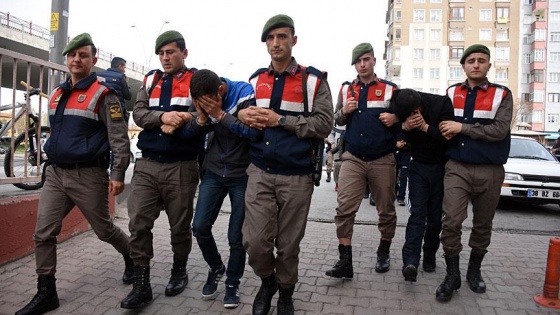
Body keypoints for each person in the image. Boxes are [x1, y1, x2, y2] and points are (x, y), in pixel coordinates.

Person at [16, 33, 132, 315]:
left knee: (104, 230)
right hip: (56, 175)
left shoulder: (105, 95)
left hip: (88, 175)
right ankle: (46, 292)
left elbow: (119, 138)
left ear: (93, 60)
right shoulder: (57, 93)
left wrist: (117, 173)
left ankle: (133, 257)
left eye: (83, 55)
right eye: (72, 55)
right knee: (43, 234)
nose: (76, 60)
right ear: (67, 59)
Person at [237, 14, 333, 315]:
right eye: (270, 38)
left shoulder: (314, 80)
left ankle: (286, 293)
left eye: (281, 37)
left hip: (297, 174)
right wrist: (242, 115)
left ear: (294, 39)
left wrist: (282, 120)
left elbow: (324, 124)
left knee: (289, 245)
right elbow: (241, 111)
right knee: (254, 242)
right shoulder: (255, 79)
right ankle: (268, 282)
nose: (275, 43)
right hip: (260, 171)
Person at [120, 30, 206, 309]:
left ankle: (179, 271)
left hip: (181, 166)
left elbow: (207, 116)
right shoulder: (150, 79)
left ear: (184, 52)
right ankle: (142, 283)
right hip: (147, 165)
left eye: (171, 52)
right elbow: (139, 113)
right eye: (162, 53)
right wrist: (163, 117)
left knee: (179, 226)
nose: (166, 58)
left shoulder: (197, 80)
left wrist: (182, 120)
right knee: (138, 223)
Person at [436, 44, 513, 302]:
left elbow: (499, 131)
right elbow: (443, 124)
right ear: (464, 66)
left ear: (489, 65)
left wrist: (462, 128)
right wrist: (445, 129)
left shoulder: (502, 94)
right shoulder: (450, 91)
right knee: (451, 221)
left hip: (490, 170)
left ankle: (474, 270)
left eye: (481, 60)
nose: (476, 64)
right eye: (471, 60)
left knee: (482, 225)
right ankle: (452, 274)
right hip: (456, 167)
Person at [184, 69, 259, 309]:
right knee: (199, 227)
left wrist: (220, 114)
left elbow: (253, 133)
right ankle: (216, 267)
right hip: (214, 172)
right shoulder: (199, 97)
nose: (202, 106)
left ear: (220, 91)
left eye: (207, 103)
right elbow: (187, 134)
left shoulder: (244, 93)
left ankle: (232, 284)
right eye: (199, 104)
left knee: (236, 237)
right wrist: (203, 119)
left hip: (242, 175)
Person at [325, 43, 398, 280]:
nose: (362, 64)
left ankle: (383, 251)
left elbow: (405, 119)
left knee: (386, 210)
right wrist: (344, 111)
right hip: (353, 158)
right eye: (358, 61)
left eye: (366, 59)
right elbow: (334, 120)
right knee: (344, 209)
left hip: (383, 159)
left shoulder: (390, 89)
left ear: (374, 61)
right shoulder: (346, 89)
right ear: (354, 64)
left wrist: (395, 117)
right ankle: (345, 261)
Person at [389, 89, 454, 283]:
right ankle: (410, 261)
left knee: (435, 217)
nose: (411, 116)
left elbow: (449, 137)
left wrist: (425, 127)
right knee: (417, 214)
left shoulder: (441, 104)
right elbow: (391, 130)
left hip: (442, 168)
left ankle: (430, 256)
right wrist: (404, 127)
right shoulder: (398, 103)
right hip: (417, 166)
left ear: (418, 108)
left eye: (413, 113)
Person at [97, 57, 132, 121]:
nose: (124, 70)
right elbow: (128, 96)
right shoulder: (121, 77)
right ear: (120, 66)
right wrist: (127, 83)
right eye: (124, 68)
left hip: (98, 111)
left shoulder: (98, 75)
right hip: (115, 112)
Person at [394, 132, 411, 206]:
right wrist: (395, 143)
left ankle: (401, 197)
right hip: (395, 153)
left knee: (403, 177)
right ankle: (393, 192)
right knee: (392, 176)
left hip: (406, 154)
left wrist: (405, 143)